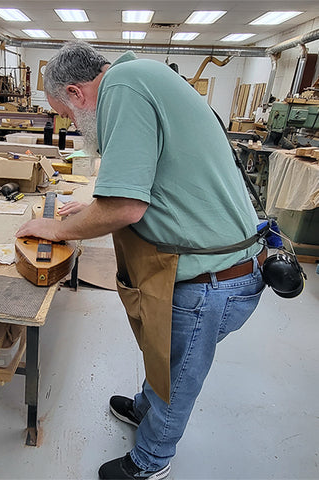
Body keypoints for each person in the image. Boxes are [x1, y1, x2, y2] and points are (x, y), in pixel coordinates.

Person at [16, 41, 266, 480]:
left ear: (76, 93)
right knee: (164, 353)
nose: (73, 126)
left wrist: (56, 229)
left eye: (68, 115)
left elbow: (126, 207)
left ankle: (151, 460)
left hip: (209, 278)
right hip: (206, 265)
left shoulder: (124, 89)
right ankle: (143, 409)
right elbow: (154, 174)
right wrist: (94, 204)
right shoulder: (143, 76)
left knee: (177, 373)